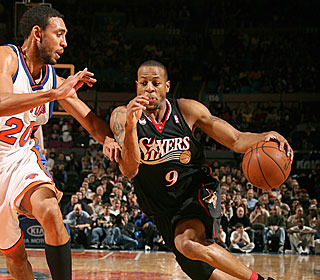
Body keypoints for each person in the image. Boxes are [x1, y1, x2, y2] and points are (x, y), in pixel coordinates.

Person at [104, 60, 293, 279]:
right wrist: (130, 128)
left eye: (156, 83)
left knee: (188, 243)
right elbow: (129, 169)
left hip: (196, 192)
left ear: (167, 86)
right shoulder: (122, 116)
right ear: (136, 85)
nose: (149, 88)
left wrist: (263, 136)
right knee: (205, 274)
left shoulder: (186, 110)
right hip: (163, 208)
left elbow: (236, 139)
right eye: (144, 83)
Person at [0, 5, 119, 280]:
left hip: (20, 159)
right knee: (16, 260)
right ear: (37, 33)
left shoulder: (55, 81)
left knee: (52, 212)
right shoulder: (7, 57)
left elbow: (90, 122)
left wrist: (110, 141)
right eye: (59, 34)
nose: (65, 43)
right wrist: (53, 94)